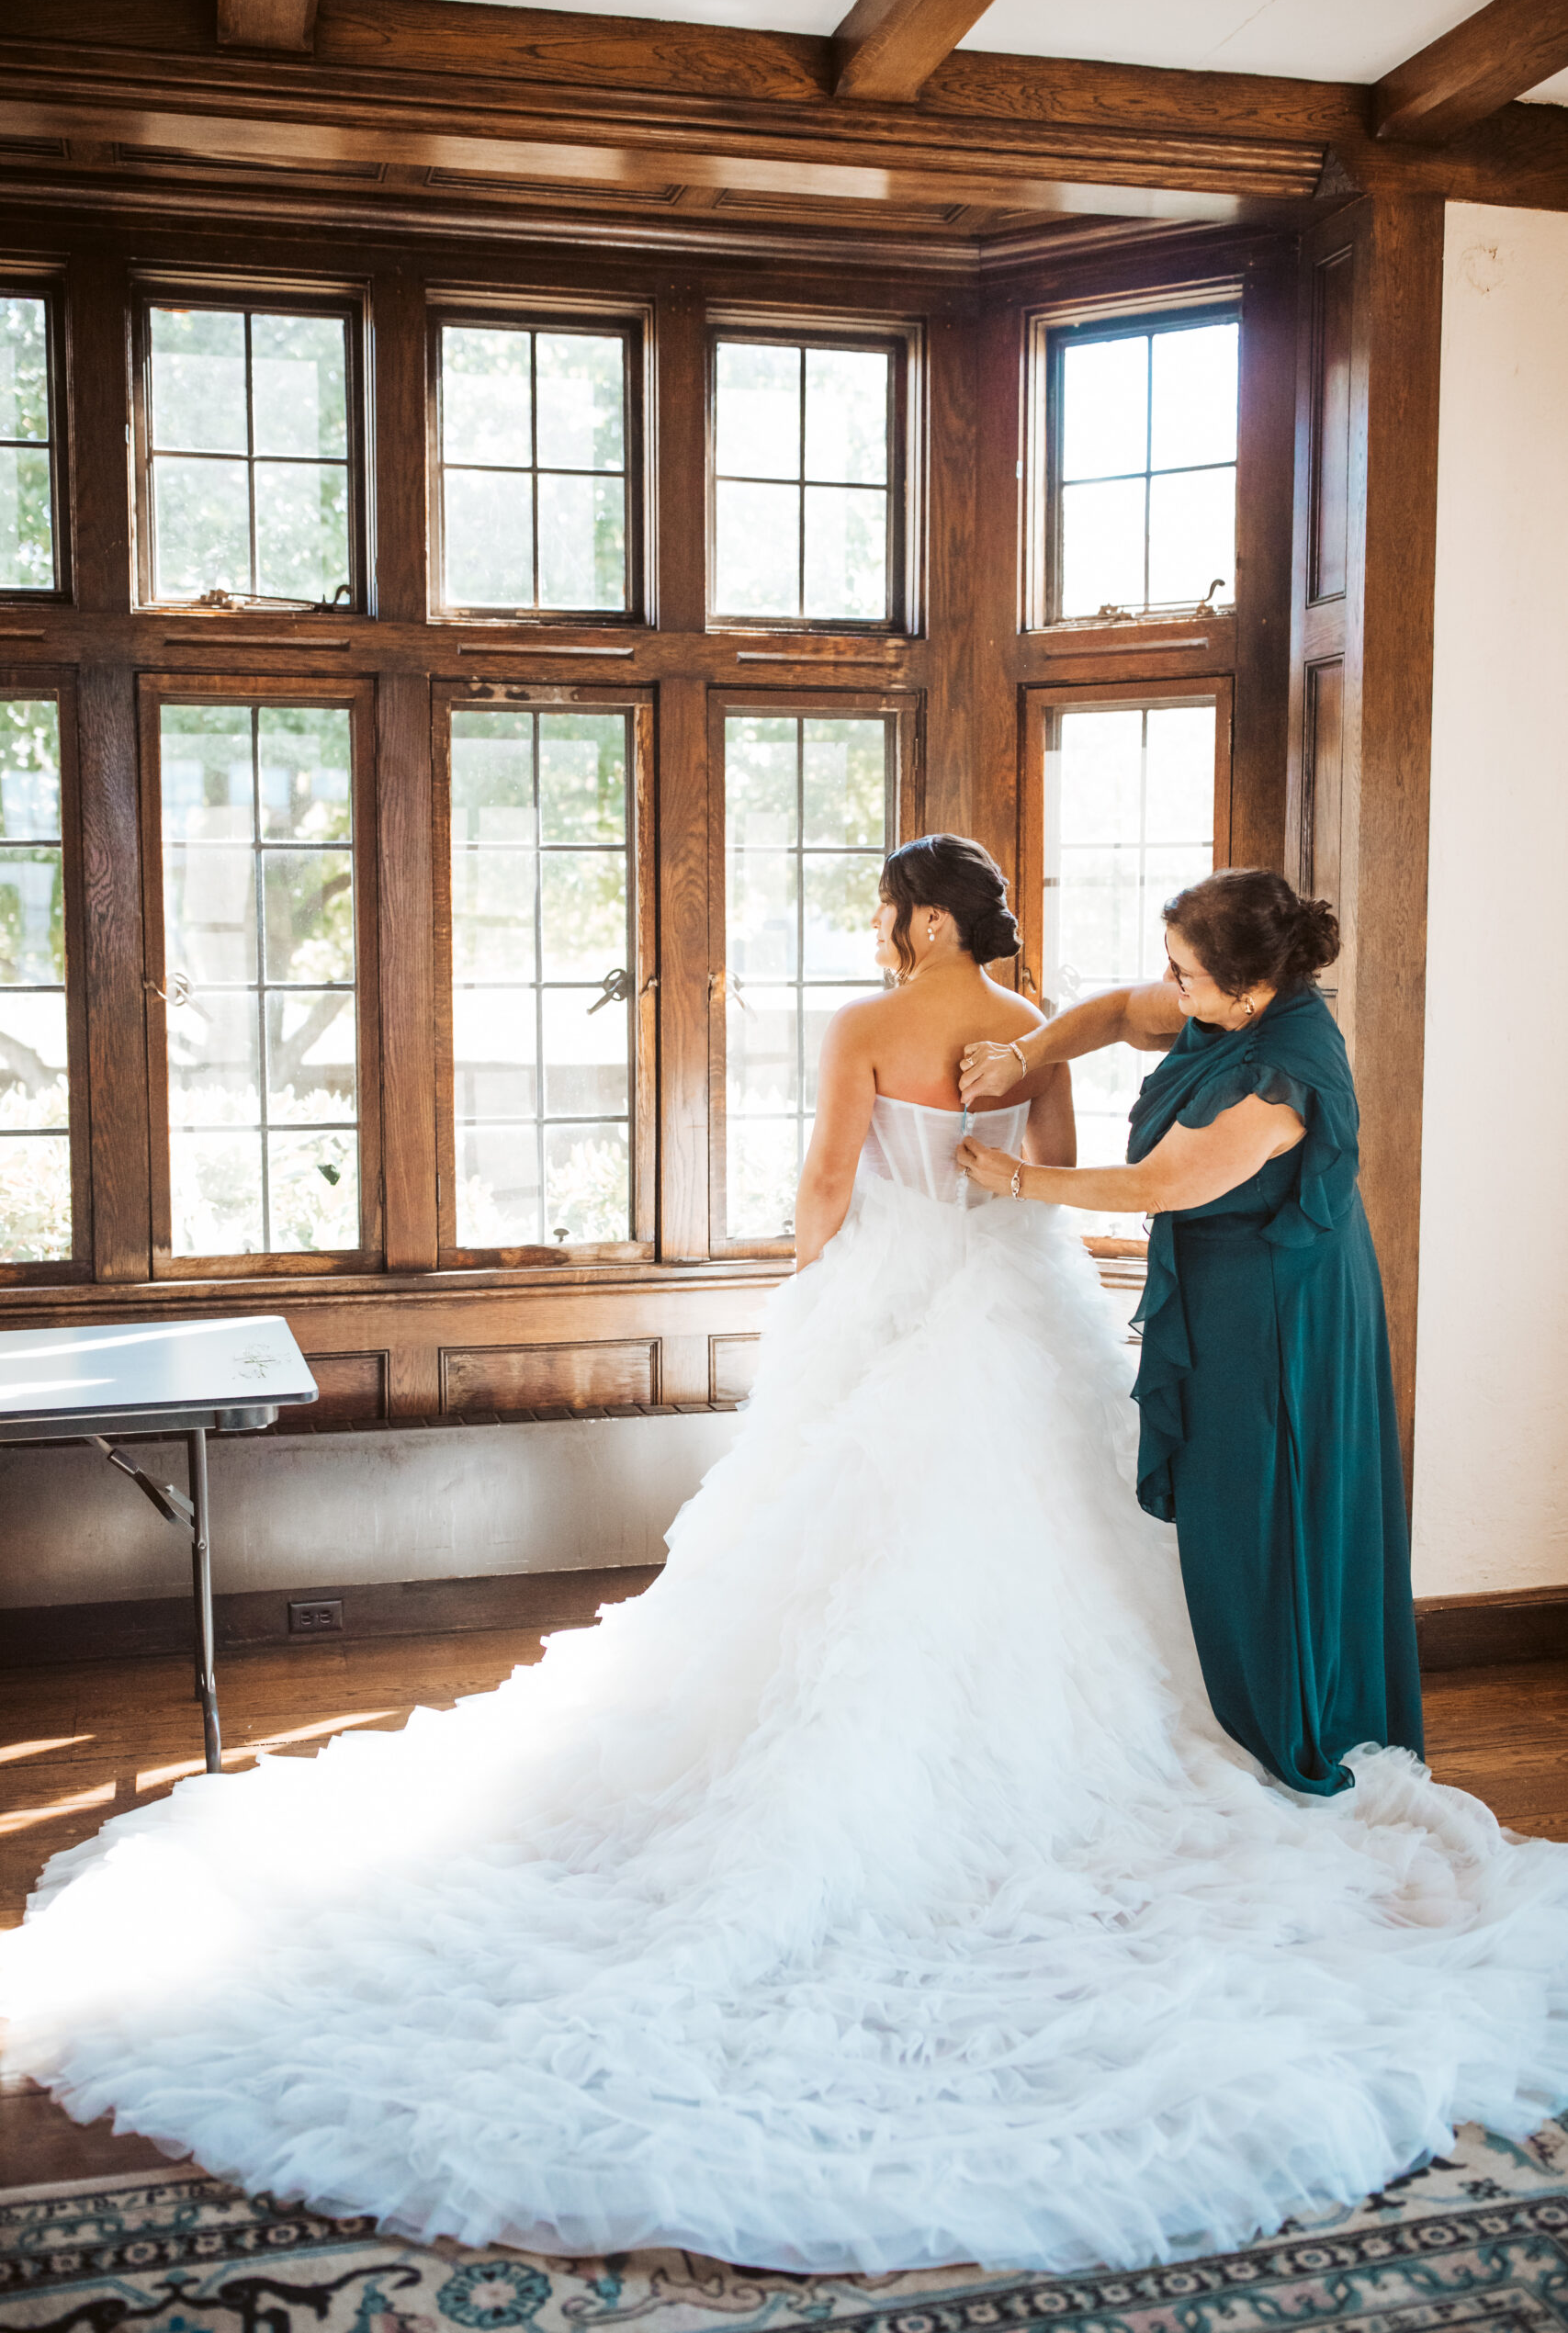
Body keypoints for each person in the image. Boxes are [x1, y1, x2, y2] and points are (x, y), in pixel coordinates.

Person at [4, 836, 1566, 2280]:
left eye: (885, 907)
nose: (874, 929)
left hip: (986, 1289)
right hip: (1016, 1300)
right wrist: (1021, 1100)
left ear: (921, 920)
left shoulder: (901, 1031)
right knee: (1071, 1539)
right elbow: (1075, 1084)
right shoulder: (1045, 1007)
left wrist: (812, 1275)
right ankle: (1165, 1735)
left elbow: (856, 1180)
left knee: (851, 1540)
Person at [957, 867, 1420, 1798]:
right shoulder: (1230, 1006)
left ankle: (1288, 1714)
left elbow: (1156, 1186)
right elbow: (1123, 1014)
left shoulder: (1274, 1080)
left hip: (1280, 1314)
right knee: (1228, 1500)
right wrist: (1026, 1054)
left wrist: (1014, 1179)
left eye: (1186, 974)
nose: (1172, 988)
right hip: (1233, 1287)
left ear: (1248, 989)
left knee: (1258, 1503)